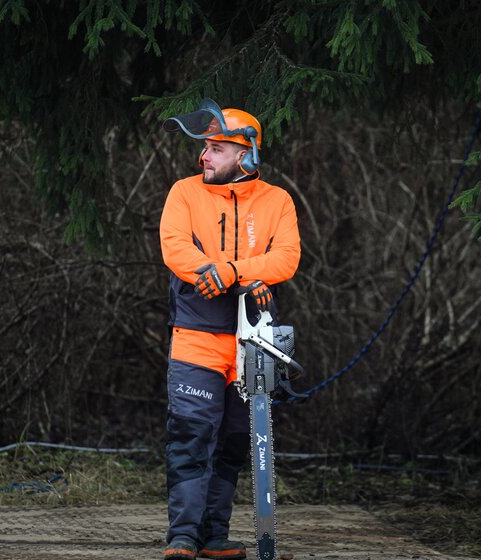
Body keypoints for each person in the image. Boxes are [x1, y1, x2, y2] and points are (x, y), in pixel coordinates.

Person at [159, 100, 301, 560]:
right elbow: (176, 249)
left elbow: (286, 258)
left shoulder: (277, 200)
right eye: (205, 147)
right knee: (190, 437)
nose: (203, 156)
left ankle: (214, 535)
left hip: (252, 339)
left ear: (245, 154)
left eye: (216, 148)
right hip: (196, 336)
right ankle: (183, 537)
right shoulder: (184, 192)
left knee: (235, 442)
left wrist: (233, 271)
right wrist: (224, 274)